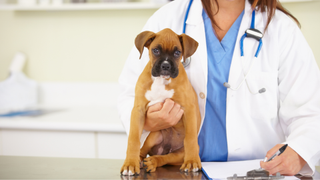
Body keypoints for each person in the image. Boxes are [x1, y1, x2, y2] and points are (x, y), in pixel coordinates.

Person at [117, 0, 320, 176]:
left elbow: (310, 109)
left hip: (258, 170)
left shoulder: (282, 29)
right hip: (176, 170)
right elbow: (130, 94)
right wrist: (149, 122)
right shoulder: (166, 17)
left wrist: (300, 151)